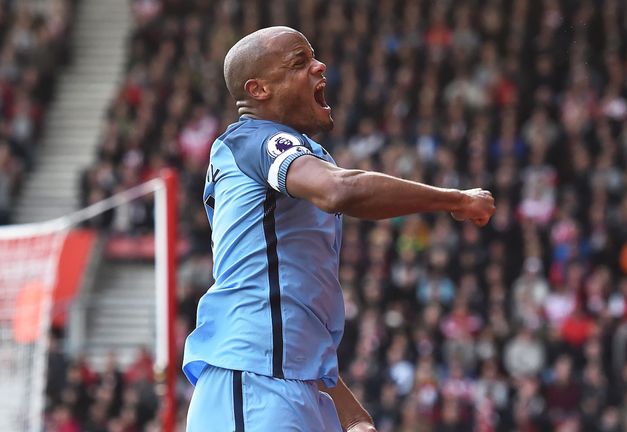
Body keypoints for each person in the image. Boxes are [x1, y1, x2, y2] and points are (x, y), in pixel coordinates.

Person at [182, 26, 495, 432]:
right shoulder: (252, 139)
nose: (319, 66)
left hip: (291, 383)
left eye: (314, 57)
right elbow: (338, 189)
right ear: (258, 90)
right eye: (300, 62)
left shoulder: (299, 156)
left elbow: (293, 316)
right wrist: (456, 199)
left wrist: (350, 415)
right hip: (251, 382)